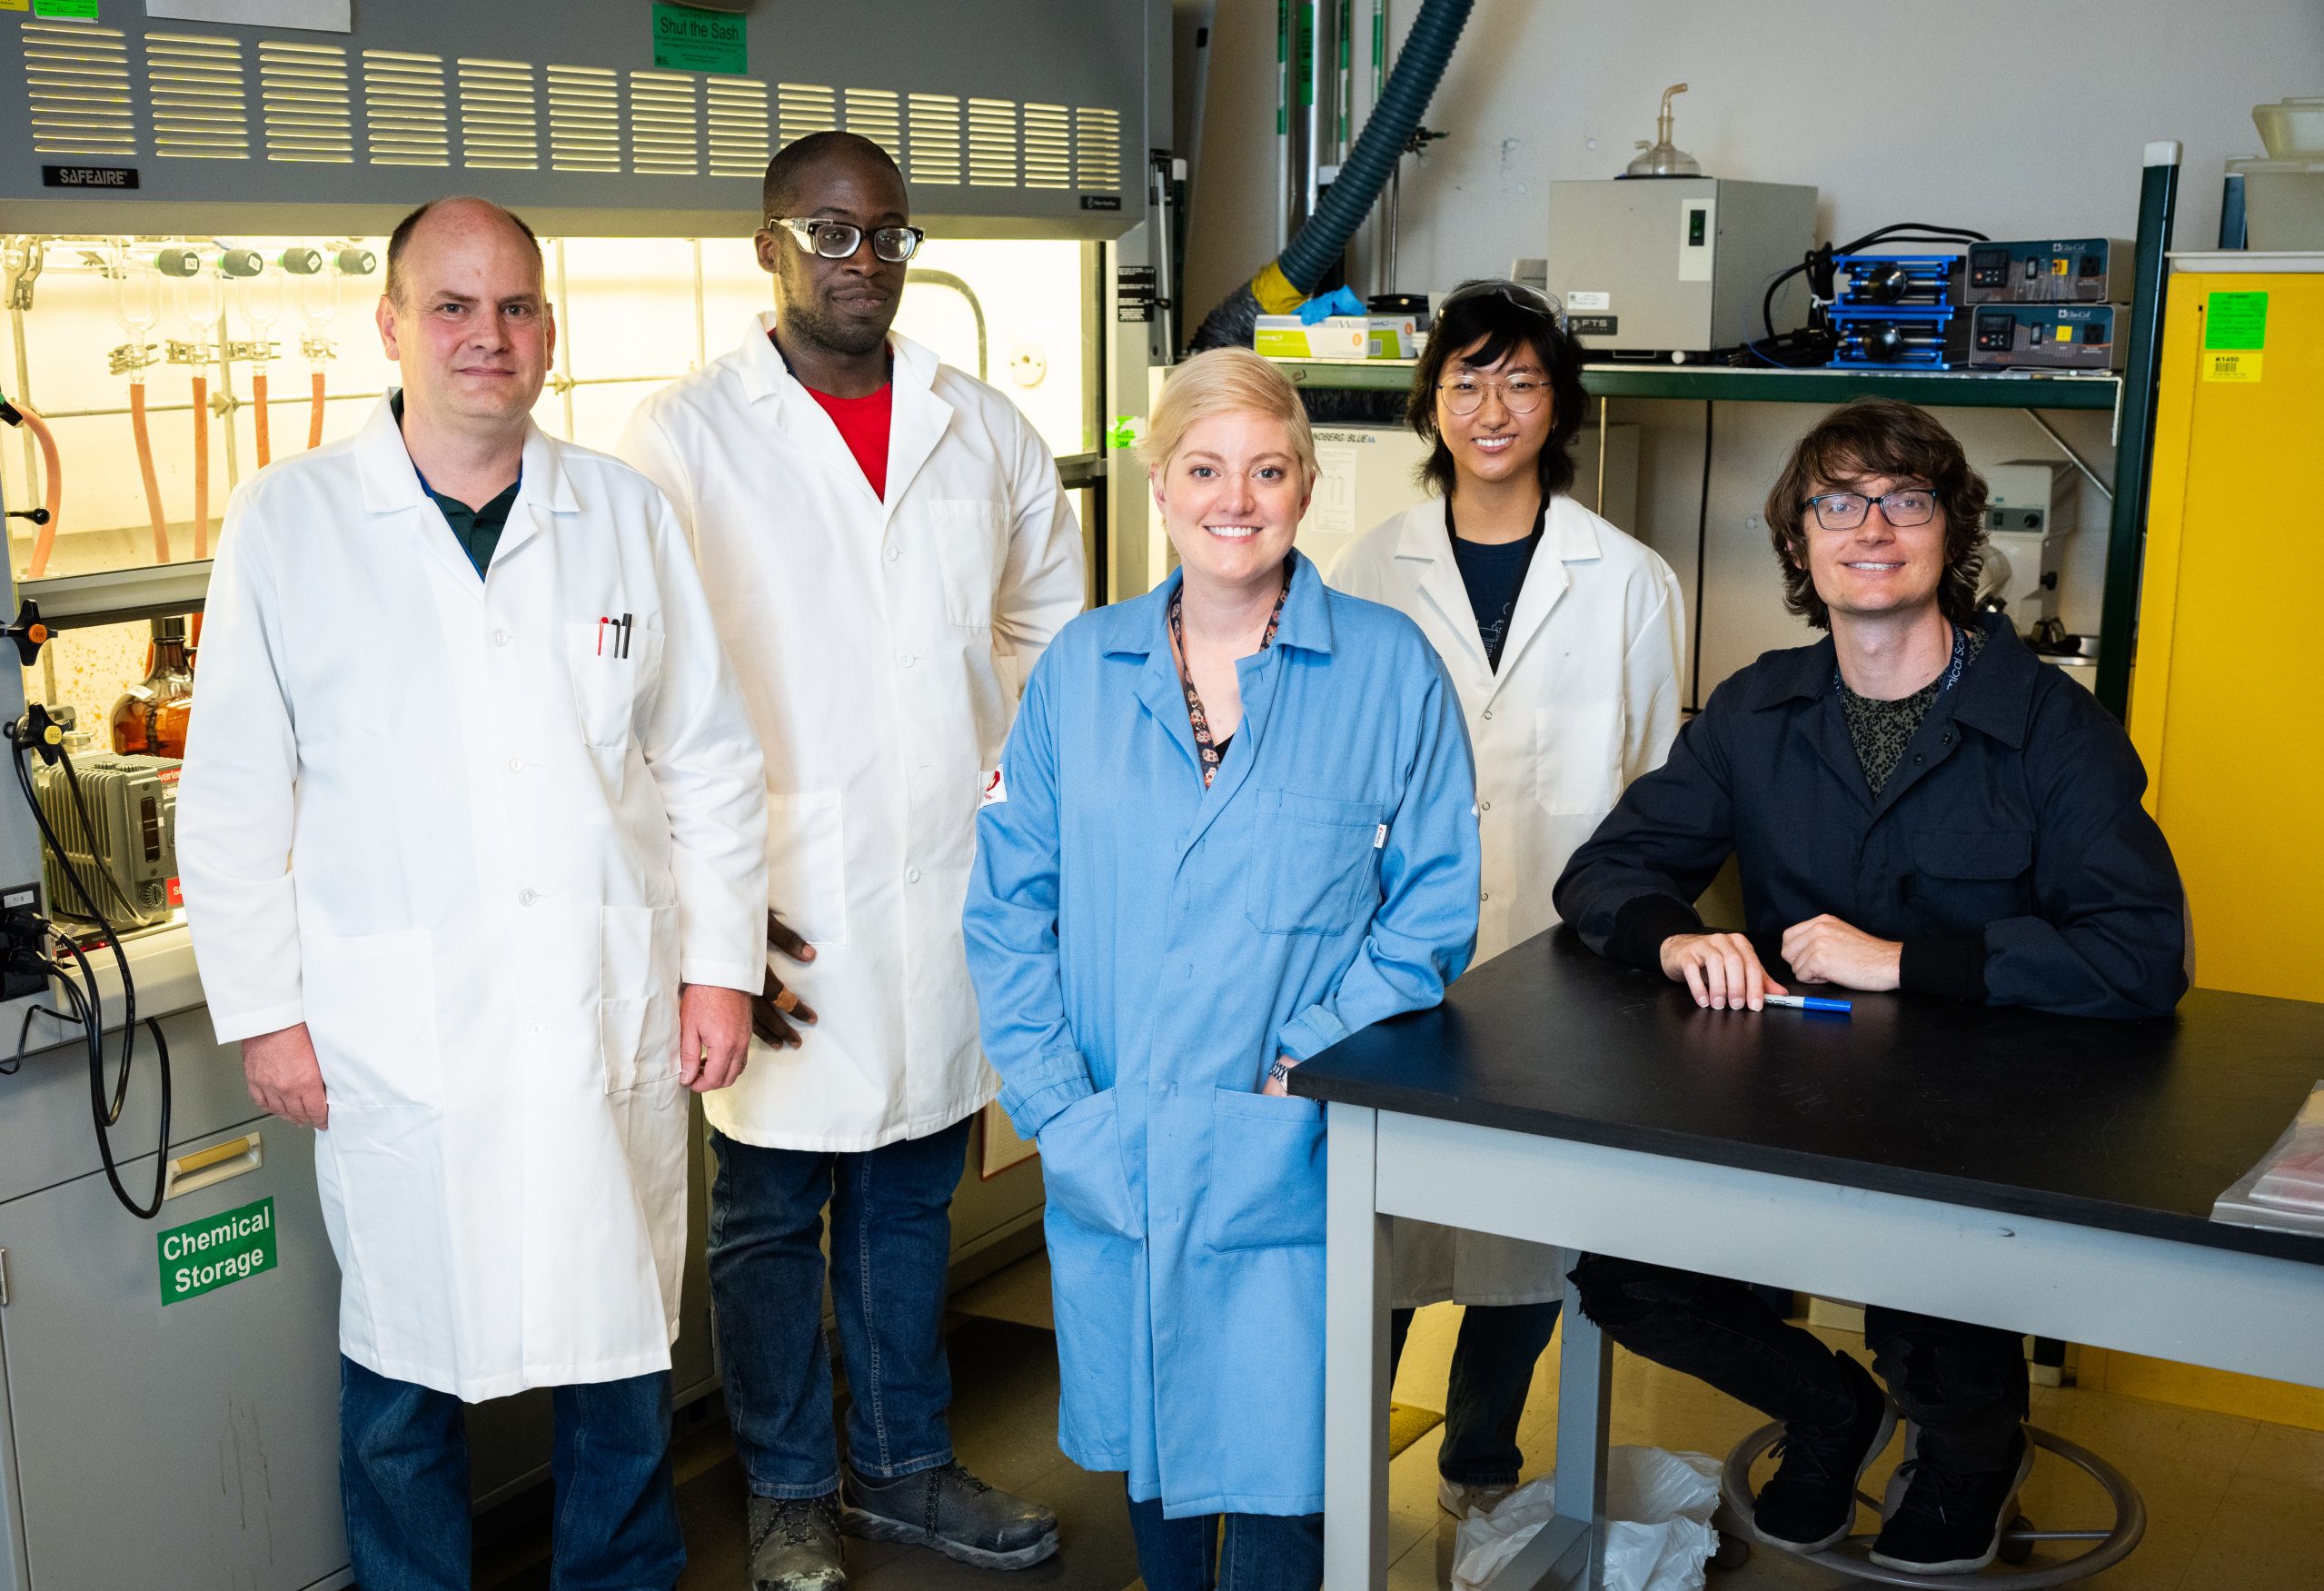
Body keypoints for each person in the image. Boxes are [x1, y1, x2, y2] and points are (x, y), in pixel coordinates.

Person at [176, 197, 769, 1591]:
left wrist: (720, 968)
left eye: (513, 309)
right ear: (390, 326)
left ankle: (618, 1579)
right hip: (400, 1026)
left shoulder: (622, 510)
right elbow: (232, 797)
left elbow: (710, 760)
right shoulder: (293, 521)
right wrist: (267, 1012)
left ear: (548, 333)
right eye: (451, 307)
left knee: (618, 1350)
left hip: (593, 1006)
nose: (484, 337)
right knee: (401, 1378)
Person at [1553, 397, 2188, 1576]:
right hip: (1796, 1102)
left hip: (1988, 1120)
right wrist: (1672, 937)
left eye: (1906, 499)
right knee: (1628, 1274)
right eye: (1836, 503)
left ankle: (1969, 1450)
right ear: (1798, 543)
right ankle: (1828, 1406)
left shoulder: (2050, 729)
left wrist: (1905, 964)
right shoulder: (1757, 708)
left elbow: (2143, 953)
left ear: (1954, 531)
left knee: (1930, 1301)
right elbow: (1608, 872)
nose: (1872, 528)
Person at [617, 131, 1081, 1588]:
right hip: (773, 897)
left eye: (886, 233)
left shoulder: (981, 425)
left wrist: (1001, 805)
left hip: (946, 879)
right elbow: (643, 706)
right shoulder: (682, 438)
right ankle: (788, 1489)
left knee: (911, 1188)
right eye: (827, 232)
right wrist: (713, 924)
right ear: (764, 245)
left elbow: (1049, 637)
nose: (861, 260)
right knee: (768, 1211)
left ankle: (904, 1464)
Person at [963, 346, 1481, 1591]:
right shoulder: (1080, 674)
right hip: (1117, 1140)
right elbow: (1005, 907)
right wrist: (1055, 1107)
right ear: (1162, 487)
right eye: (1203, 469)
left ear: (1305, 487)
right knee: (1156, 1472)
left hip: (1290, 1149)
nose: (1233, 498)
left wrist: (1305, 1063)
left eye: (1264, 469)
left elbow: (1430, 915)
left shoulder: (1386, 670)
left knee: (1291, 1487)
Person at [1329, 279, 1684, 1517]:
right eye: (1467, 380)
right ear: (1430, 402)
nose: (1492, 408)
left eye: (1520, 381)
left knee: (1529, 1239)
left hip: (1561, 960)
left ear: (1559, 404)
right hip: (1391, 962)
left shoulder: (1630, 580)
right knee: (1381, 1227)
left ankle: (1481, 1463)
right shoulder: (1365, 568)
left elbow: (1652, 797)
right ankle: (1337, 1473)